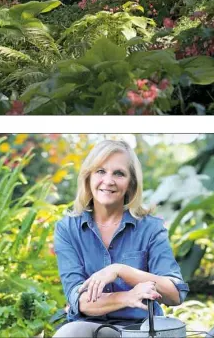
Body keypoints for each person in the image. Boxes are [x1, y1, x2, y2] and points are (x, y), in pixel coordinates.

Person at [53, 139, 189, 338]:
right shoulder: (68, 229)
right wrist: (128, 297)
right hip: (87, 328)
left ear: (131, 183)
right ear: (88, 176)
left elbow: (175, 293)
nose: (108, 181)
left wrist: (120, 270)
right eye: (100, 171)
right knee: (69, 334)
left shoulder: (150, 228)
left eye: (119, 173)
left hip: (141, 329)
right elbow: (79, 299)